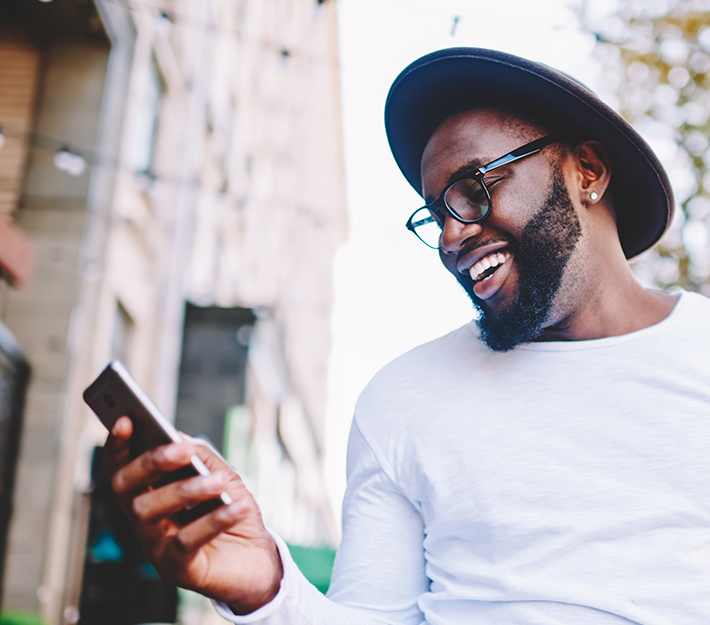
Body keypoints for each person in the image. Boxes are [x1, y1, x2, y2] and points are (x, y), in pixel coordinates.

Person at [104, 48, 710, 624]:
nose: (450, 238)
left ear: (588, 171)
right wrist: (263, 584)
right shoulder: (402, 399)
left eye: (474, 189)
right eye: (436, 214)